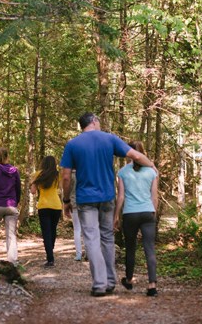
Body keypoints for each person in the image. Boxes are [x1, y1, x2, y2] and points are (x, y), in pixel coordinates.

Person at [61, 112, 157, 297]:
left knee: (91, 239)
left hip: (85, 199)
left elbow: (66, 176)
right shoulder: (109, 139)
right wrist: (151, 166)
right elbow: (135, 156)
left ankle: (99, 284)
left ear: (82, 126)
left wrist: (66, 200)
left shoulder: (72, 144)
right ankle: (111, 280)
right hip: (107, 197)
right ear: (95, 122)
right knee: (107, 238)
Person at [114, 140, 159, 297]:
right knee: (149, 249)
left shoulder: (122, 172)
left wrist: (116, 216)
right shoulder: (152, 172)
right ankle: (152, 285)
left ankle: (129, 280)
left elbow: (120, 198)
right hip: (148, 212)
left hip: (130, 214)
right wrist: (154, 213)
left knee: (131, 248)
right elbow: (155, 197)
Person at [30, 156, 63, 268]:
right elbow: (60, 188)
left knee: (46, 233)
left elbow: (33, 191)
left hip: (43, 206)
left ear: (43, 163)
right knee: (52, 230)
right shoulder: (58, 175)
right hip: (56, 206)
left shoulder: (38, 174)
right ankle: (50, 252)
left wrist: (34, 184)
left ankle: (50, 258)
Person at [70, 170, 84, 261]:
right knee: (87, 228)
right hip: (86, 202)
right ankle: (89, 252)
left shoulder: (70, 175)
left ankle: (79, 253)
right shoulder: (85, 172)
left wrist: (66, 202)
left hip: (74, 203)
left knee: (77, 229)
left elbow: (67, 189)